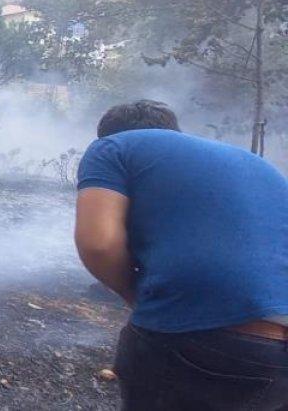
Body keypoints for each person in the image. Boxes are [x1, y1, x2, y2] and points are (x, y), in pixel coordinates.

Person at [75, 100, 288, 410]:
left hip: (203, 340)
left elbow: (99, 244)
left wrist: (133, 294)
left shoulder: (113, 147)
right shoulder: (255, 163)